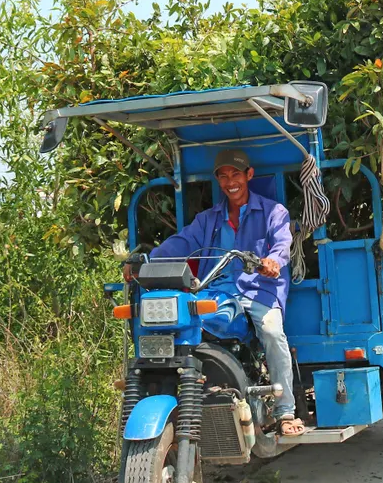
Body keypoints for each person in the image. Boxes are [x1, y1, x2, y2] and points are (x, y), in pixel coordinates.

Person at [123, 148, 304, 437]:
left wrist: (273, 261)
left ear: (249, 175)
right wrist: (145, 263)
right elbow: (179, 244)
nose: (230, 181)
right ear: (218, 180)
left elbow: (282, 243)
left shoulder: (273, 211)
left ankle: (285, 411)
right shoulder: (208, 220)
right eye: (224, 176)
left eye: (236, 174)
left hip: (260, 292)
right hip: (220, 291)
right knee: (186, 323)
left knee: (271, 331)